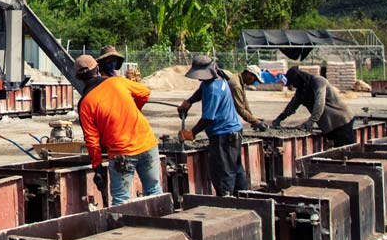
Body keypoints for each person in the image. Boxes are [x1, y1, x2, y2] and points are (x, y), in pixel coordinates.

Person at [75, 54, 163, 205]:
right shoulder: (118, 82)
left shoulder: (85, 103)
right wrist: (135, 109)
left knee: (121, 200)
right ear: (97, 69)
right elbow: (144, 93)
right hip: (147, 144)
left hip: (121, 154)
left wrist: (97, 167)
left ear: (79, 78)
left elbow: (92, 140)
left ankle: (123, 228)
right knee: (154, 191)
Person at [178, 56, 247, 196]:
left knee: (223, 173)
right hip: (234, 132)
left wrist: (192, 133)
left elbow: (208, 118)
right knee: (235, 168)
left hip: (223, 136)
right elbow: (201, 90)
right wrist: (189, 101)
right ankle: (244, 197)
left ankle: (227, 204)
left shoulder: (213, 89)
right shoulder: (218, 79)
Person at [272, 66, 357, 147]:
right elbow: (292, 105)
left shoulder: (318, 81)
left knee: (344, 150)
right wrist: (279, 118)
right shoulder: (301, 91)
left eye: (294, 83)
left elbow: (319, 104)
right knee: (336, 152)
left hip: (342, 121)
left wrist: (310, 122)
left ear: (299, 79)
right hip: (329, 125)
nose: (293, 86)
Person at [178, 61, 267, 132]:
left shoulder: (237, 81)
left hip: (224, 127)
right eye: (254, 79)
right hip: (223, 128)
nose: (254, 82)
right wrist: (189, 102)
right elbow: (240, 108)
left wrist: (254, 120)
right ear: (249, 74)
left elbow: (244, 102)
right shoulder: (235, 85)